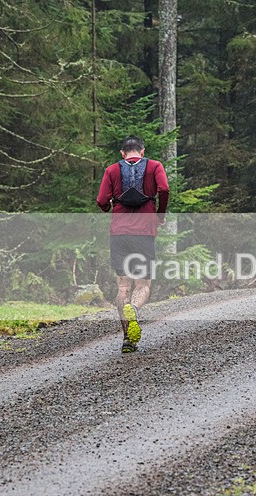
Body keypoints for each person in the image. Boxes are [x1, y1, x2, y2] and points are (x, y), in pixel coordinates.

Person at [97, 135, 169, 353]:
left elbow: (101, 201)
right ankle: (134, 309)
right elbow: (164, 189)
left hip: (119, 234)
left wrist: (107, 207)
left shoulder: (111, 170)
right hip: (144, 233)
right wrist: (160, 215)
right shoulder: (155, 166)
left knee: (123, 287)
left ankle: (128, 339)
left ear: (122, 153)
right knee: (143, 285)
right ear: (142, 151)